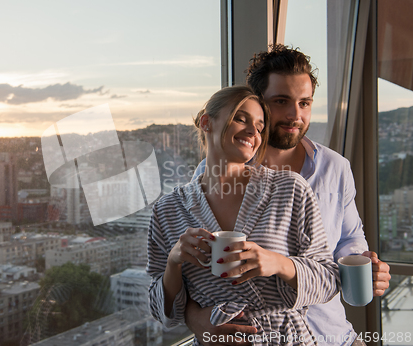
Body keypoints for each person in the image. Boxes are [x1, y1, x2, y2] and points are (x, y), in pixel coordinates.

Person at [185, 44, 391, 346]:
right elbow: (193, 269)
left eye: (305, 103)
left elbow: (349, 238)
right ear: (257, 103)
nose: (296, 115)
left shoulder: (336, 167)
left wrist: (365, 265)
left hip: (332, 337)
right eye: (282, 101)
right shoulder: (214, 173)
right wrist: (195, 318)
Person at [147, 86, 340, 346]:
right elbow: (161, 312)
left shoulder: (290, 189)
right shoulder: (167, 210)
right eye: (241, 119)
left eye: (260, 127)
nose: (253, 132)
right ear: (206, 122)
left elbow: (328, 280)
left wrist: (277, 263)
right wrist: (174, 261)